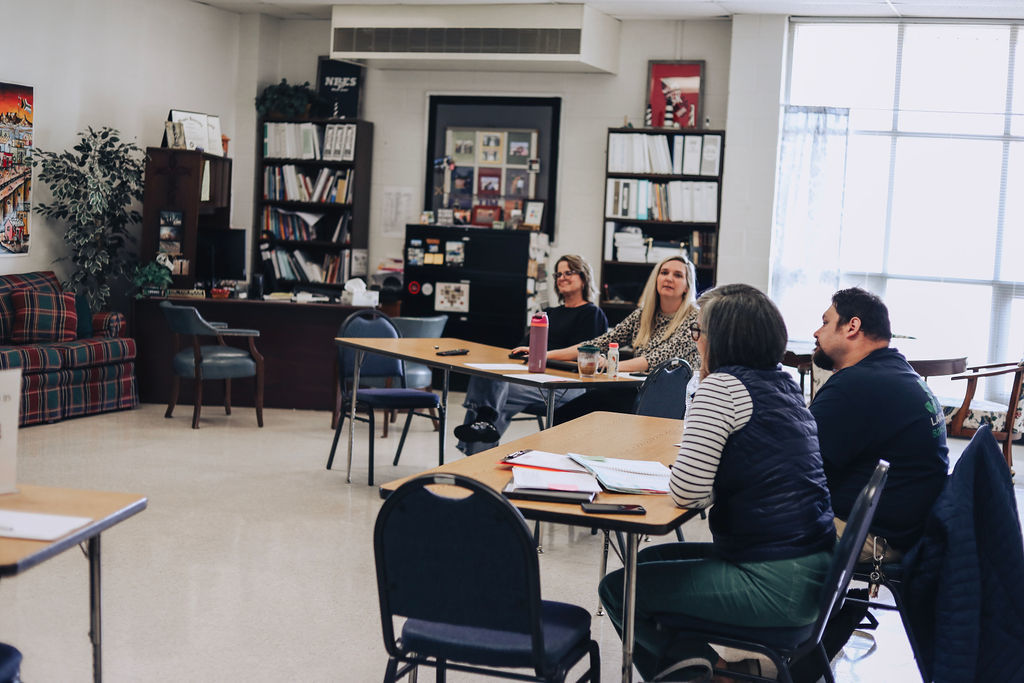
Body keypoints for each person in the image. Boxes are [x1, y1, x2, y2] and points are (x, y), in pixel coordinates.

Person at [598, 284, 835, 681]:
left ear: (721, 339)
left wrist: (701, 388)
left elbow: (690, 491)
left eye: (699, 332)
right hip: (813, 570)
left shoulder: (723, 388)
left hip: (774, 581)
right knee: (643, 568)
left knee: (621, 590)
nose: (696, 340)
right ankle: (718, 670)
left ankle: (708, 673)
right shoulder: (784, 385)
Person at [810, 287, 948, 562]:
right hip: (907, 530)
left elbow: (799, 462)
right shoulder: (897, 372)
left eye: (825, 322)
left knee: (750, 513)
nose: (817, 332)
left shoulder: (855, 386)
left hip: (871, 536)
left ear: (852, 326)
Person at [454, 254, 607, 454]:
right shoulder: (549, 313)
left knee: (494, 396)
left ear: (584, 277)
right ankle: (481, 440)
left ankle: (474, 452)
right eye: (558, 274)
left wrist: (544, 355)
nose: (561, 277)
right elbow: (523, 347)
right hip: (535, 377)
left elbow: (586, 356)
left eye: (569, 272)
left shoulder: (592, 314)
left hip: (568, 384)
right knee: (491, 385)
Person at [549, 255, 701, 422]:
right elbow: (599, 343)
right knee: (564, 415)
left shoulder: (695, 318)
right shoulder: (644, 314)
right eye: (664, 272)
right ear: (656, 278)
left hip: (671, 400)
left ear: (687, 286)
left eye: (678, 275)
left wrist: (610, 365)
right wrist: (544, 355)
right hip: (637, 391)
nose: (669, 278)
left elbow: (655, 360)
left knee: (576, 415)